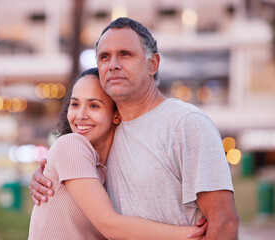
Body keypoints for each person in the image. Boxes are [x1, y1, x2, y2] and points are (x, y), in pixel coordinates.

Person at [31, 18, 239, 240]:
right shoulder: (105, 133)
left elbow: (224, 223)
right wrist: (46, 174)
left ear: (153, 64)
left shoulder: (185, 123)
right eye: (104, 57)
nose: (113, 64)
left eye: (125, 54)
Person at [28, 68, 206, 240]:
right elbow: (110, 226)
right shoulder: (70, 145)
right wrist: (194, 235)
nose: (80, 115)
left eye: (94, 105)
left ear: (116, 115)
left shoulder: (116, 164)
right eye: (75, 104)